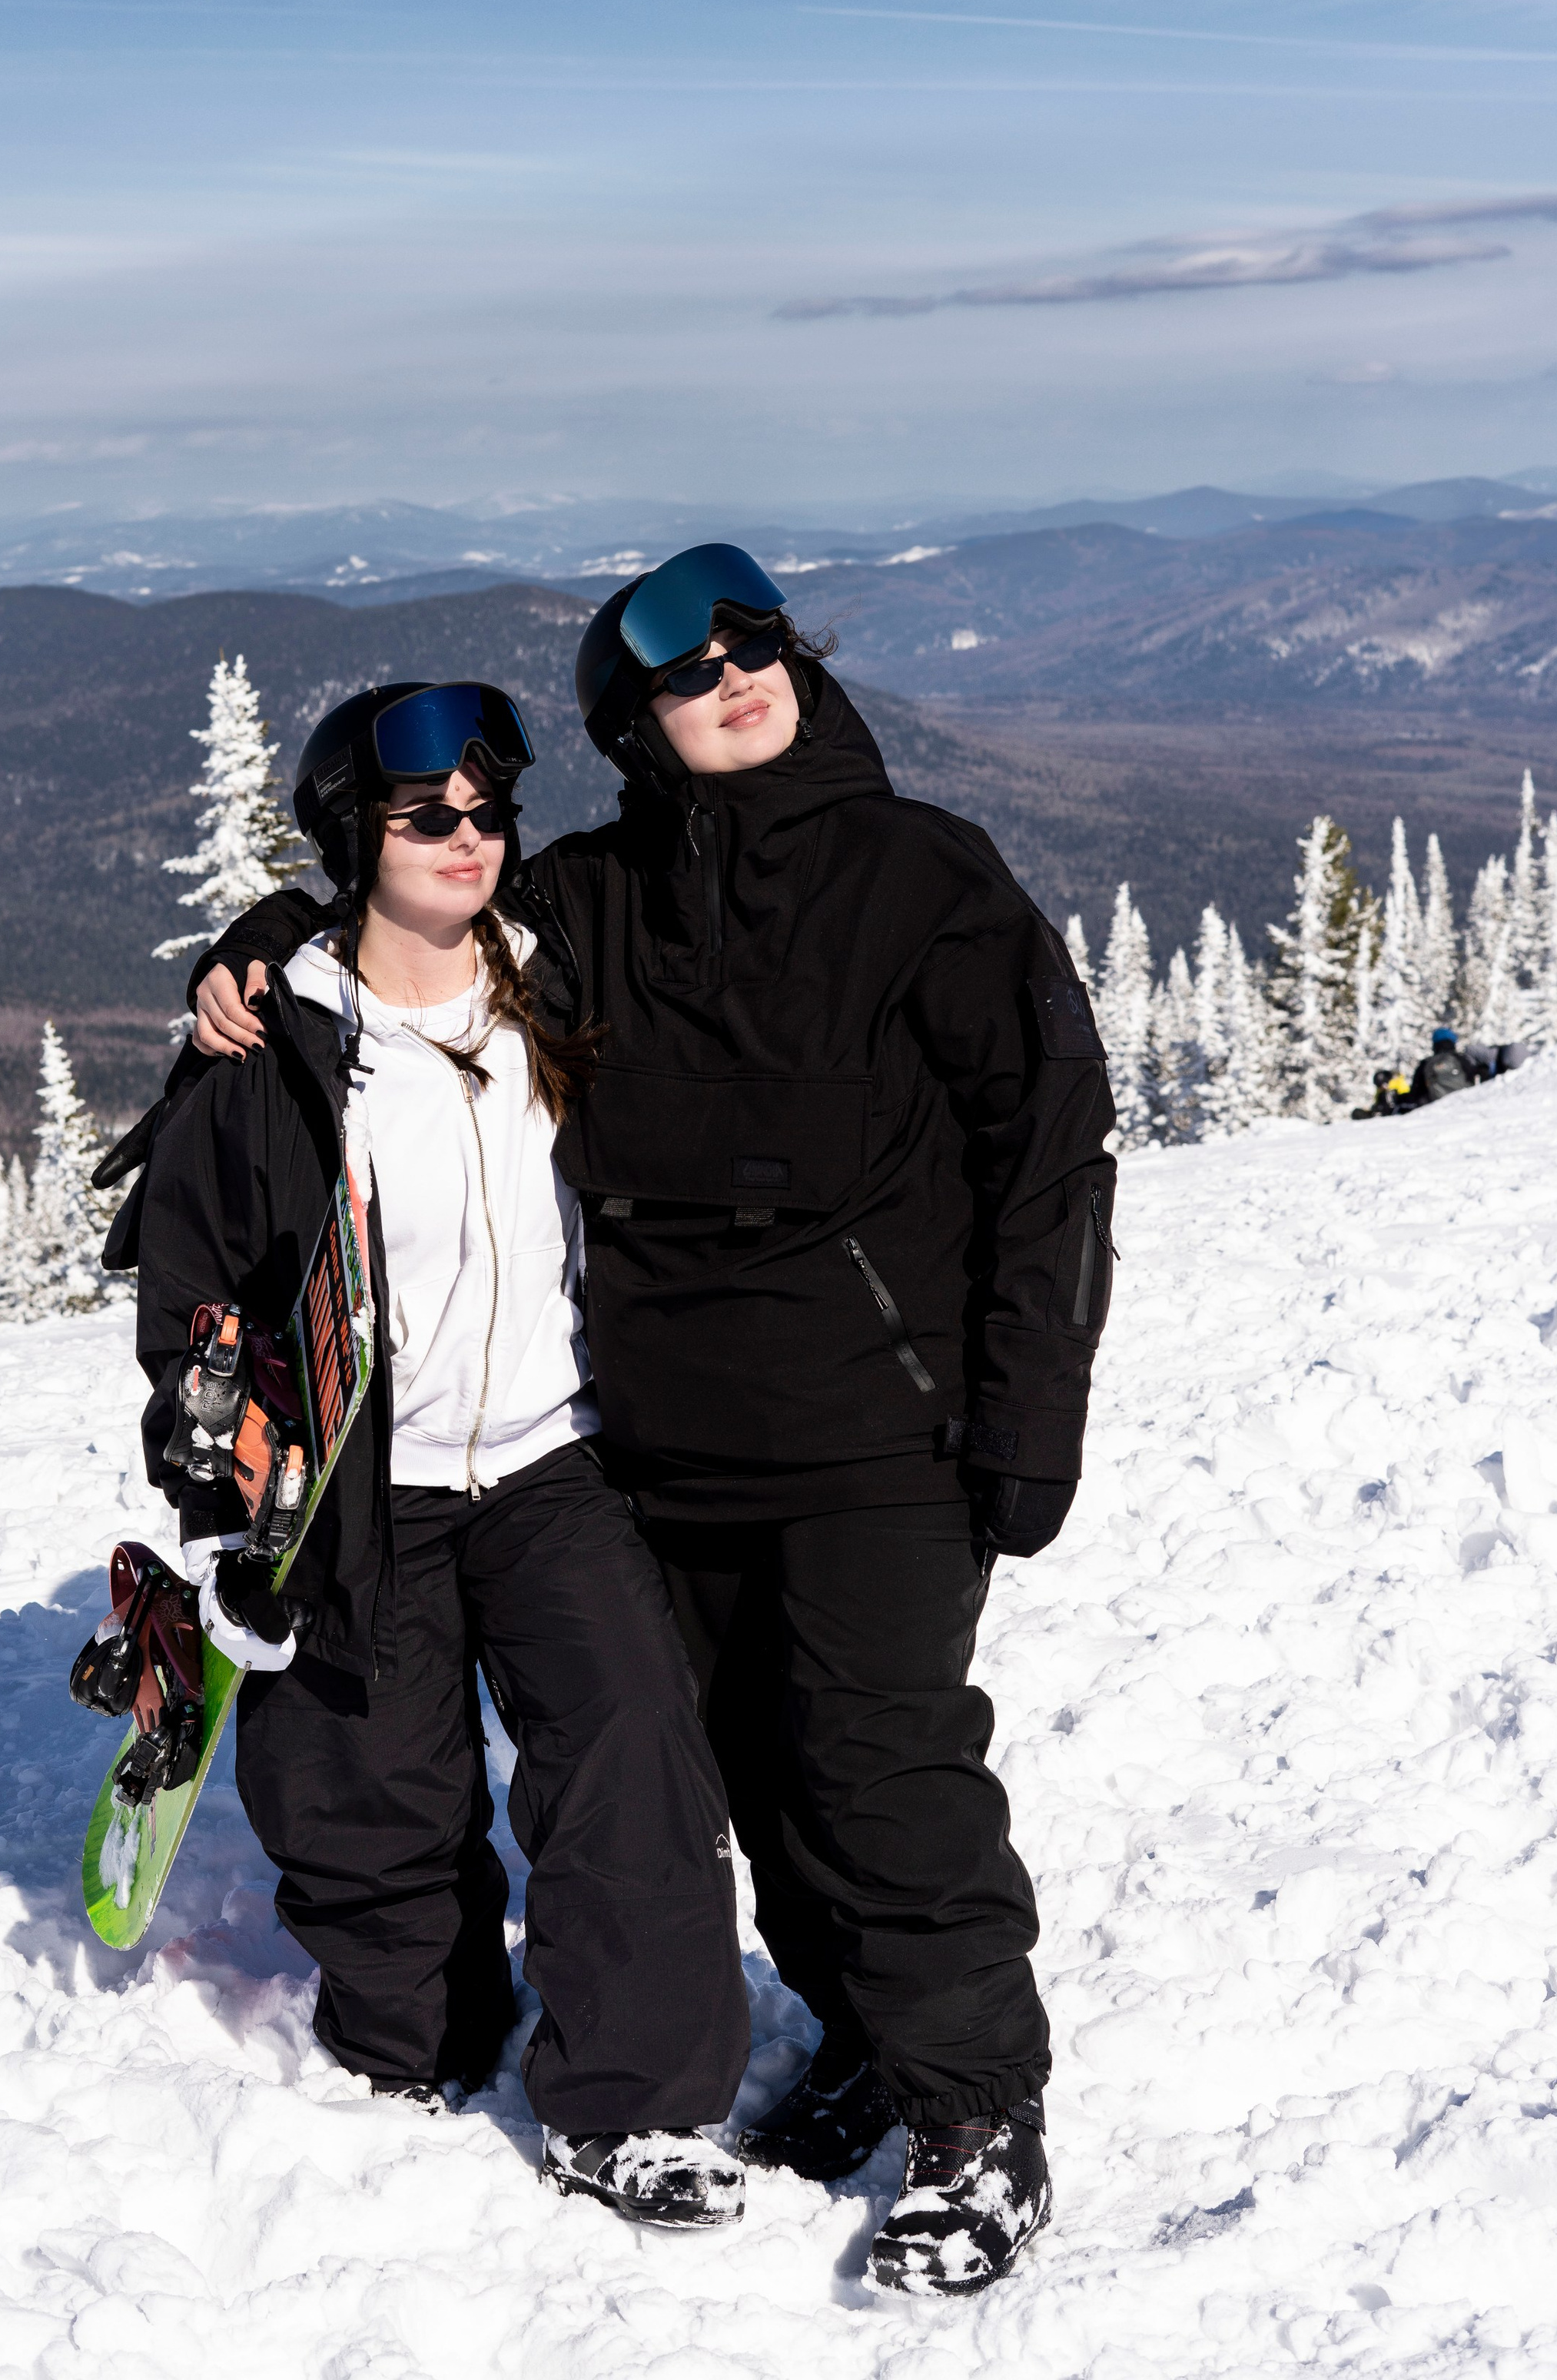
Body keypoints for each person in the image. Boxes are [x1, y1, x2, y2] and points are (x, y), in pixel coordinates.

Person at [191, 547, 1117, 2296]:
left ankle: (977, 2112)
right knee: (740, 1778)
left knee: (875, 1764)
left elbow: (1053, 1146)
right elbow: (407, 906)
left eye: (752, 639)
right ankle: (857, 2024)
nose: (730, 674)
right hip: (657, 1459)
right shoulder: (597, 898)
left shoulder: (926, 879)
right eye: (684, 670)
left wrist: (1029, 1405)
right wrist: (253, 948)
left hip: (879, 1445)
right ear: (635, 721)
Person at [118, 678, 750, 2227]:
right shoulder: (267, 1048)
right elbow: (193, 1284)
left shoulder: (560, 976)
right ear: (357, 833)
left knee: (633, 1757)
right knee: (366, 1796)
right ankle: (417, 2037)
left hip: (551, 1465)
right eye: (426, 816)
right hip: (354, 1489)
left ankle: (636, 2108)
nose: (467, 837)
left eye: (484, 810)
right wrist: (216, 1470)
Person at [1408, 1024, 1472, 1109]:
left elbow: (1416, 1092)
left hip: (1437, 1108)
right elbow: (1473, 1077)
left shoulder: (1426, 1064)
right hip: (1466, 1104)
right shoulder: (1461, 1059)